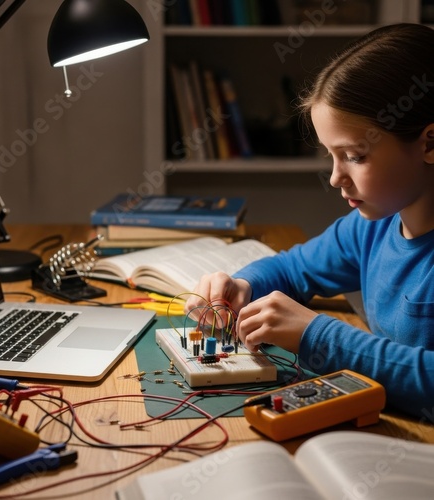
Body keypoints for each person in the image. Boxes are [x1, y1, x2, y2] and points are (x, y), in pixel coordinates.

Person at [185, 23, 434, 419]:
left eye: (354, 155)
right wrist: (243, 286)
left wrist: (315, 334)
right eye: (330, 156)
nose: (335, 178)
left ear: (429, 143)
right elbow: (293, 267)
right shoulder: (372, 227)